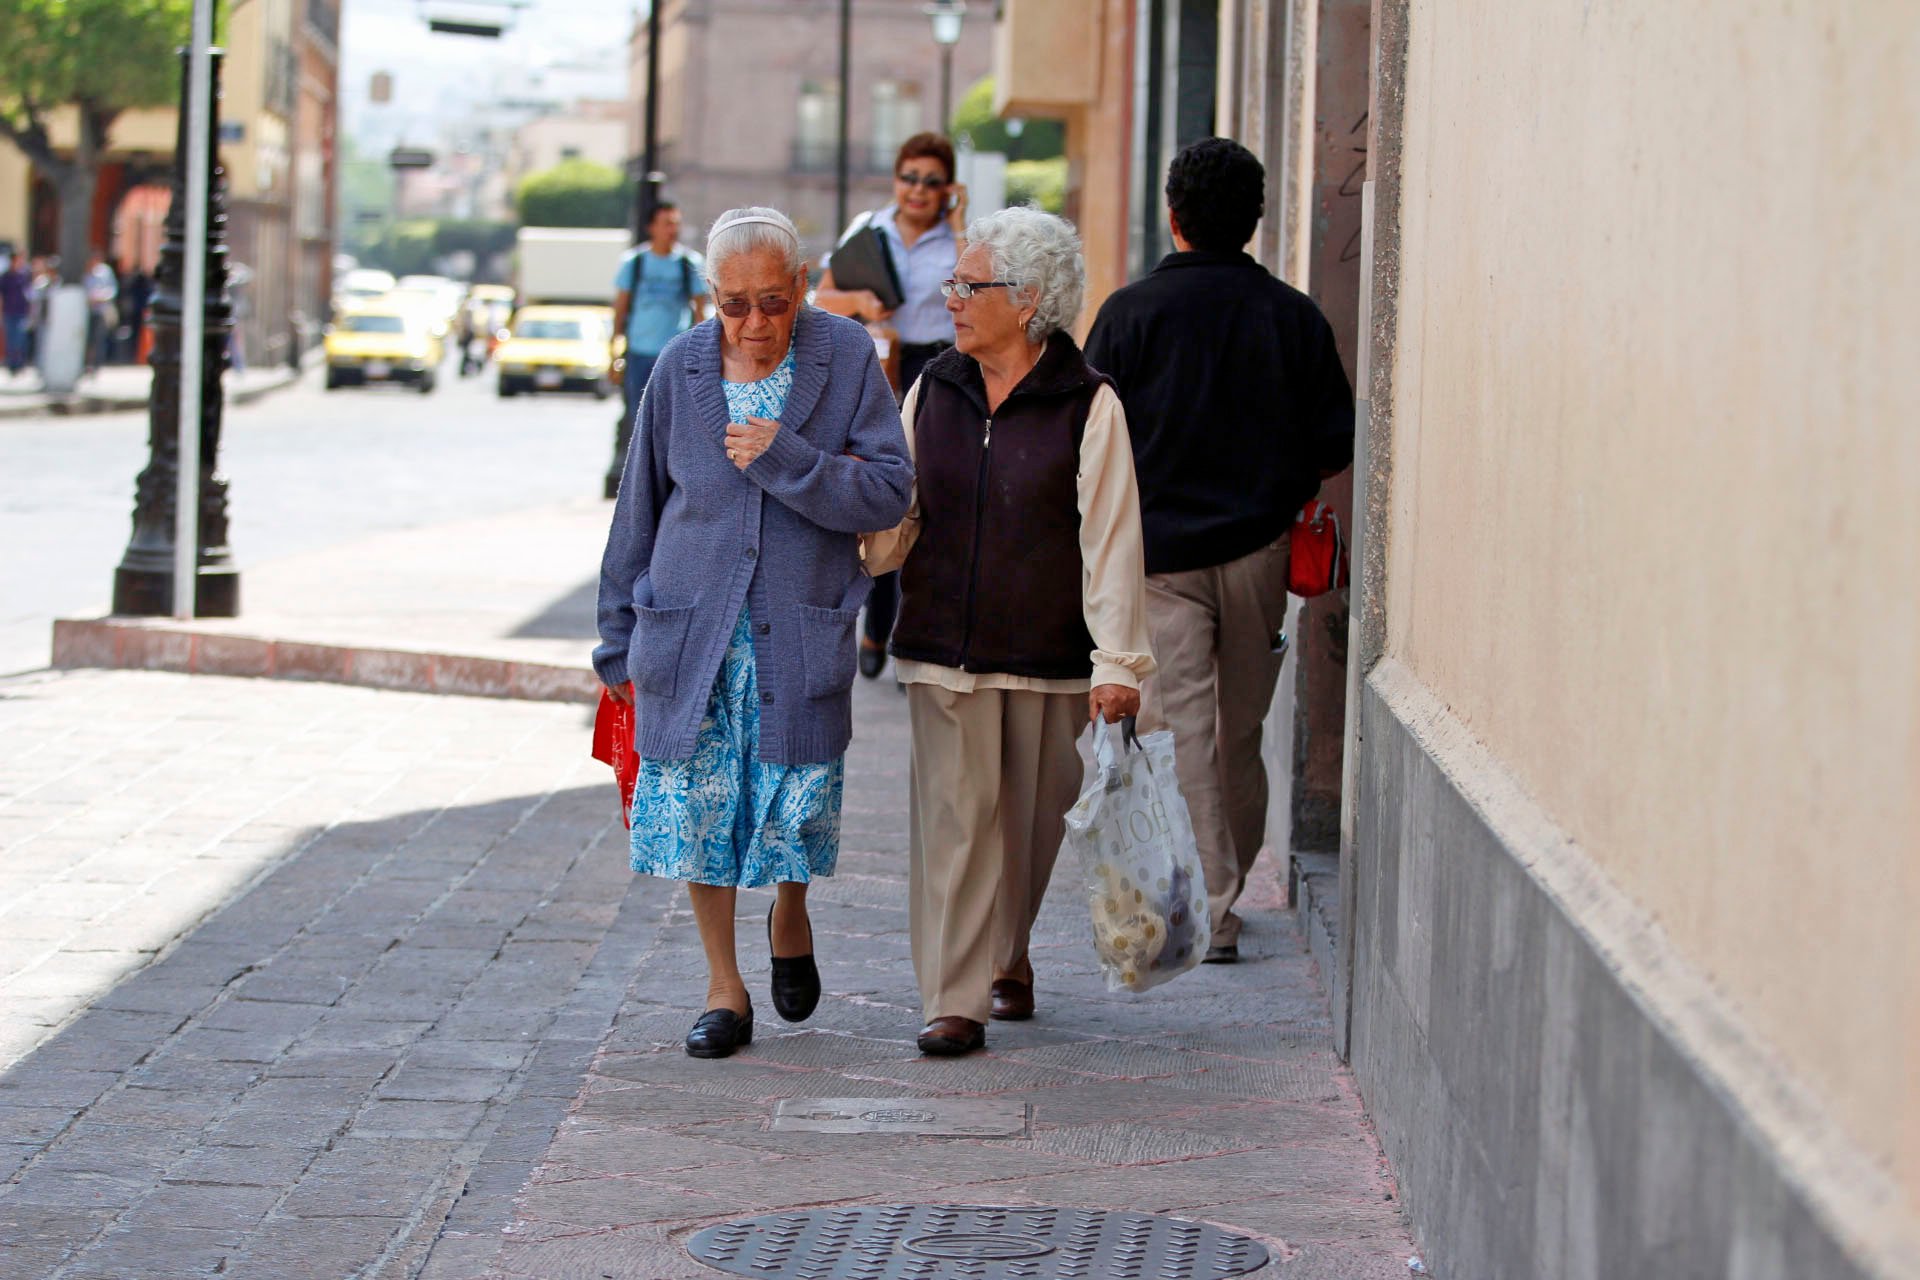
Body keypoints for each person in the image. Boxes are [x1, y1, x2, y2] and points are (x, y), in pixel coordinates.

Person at [594, 206, 912, 1060]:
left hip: (797, 626)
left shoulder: (845, 358)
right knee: (700, 809)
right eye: (735, 305)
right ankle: (722, 989)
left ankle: (792, 909)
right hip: (690, 630)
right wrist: (615, 640)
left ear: (803, 286)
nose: (755, 323)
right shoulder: (678, 368)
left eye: (773, 301)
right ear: (711, 298)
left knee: (793, 804)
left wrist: (788, 459)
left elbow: (889, 491)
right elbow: (639, 511)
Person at [862, 207, 1155, 1057]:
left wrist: (1119, 663)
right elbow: (900, 508)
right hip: (940, 648)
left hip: (1049, 656)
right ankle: (954, 999)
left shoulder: (1088, 404)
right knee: (957, 823)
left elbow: (1111, 539)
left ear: (1027, 301)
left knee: (1025, 834)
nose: (951, 298)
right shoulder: (936, 387)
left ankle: (1007, 953)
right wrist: (859, 544)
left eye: (969, 285)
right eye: (954, 283)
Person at [1084, 136, 1355, 964]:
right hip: (1259, 554)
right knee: (1237, 731)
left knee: (1190, 731)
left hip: (1159, 558)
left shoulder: (1128, 316)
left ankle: (1215, 908)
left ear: (1173, 217)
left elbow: (1091, 442)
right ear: (1255, 220)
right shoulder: (1294, 316)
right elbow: (1336, 439)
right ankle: (1221, 894)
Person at [815, 133, 968, 681]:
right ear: (895, 179)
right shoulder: (869, 229)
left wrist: (961, 221)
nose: (918, 190)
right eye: (910, 177)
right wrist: (858, 302)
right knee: (885, 498)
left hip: (944, 371)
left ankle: (910, 632)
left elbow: (980, 287)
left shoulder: (959, 240)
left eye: (932, 181)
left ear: (947, 188)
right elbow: (820, 298)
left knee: (934, 504)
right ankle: (876, 626)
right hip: (881, 369)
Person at [612, 200, 708, 426]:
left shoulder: (688, 263)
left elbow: (700, 312)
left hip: (674, 353)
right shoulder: (634, 262)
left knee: (673, 415)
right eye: (666, 224)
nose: (672, 230)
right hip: (638, 351)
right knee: (638, 414)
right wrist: (614, 352)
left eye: (675, 224)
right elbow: (620, 308)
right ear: (651, 227)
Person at [82, 253, 117, 373]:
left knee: (99, 338)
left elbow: (112, 289)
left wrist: (102, 296)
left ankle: (97, 364)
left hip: (101, 309)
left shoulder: (105, 272)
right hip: (87, 310)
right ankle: (86, 364)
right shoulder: (85, 272)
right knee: (87, 338)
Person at [0, 253, 31, 376]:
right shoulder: (5, 277)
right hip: (8, 311)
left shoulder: (24, 276)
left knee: (20, 337)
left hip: (21, 312)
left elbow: (29, 294)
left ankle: (19, 363)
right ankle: (12, 363)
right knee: (10, 338)